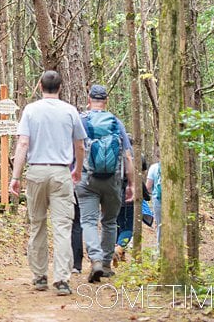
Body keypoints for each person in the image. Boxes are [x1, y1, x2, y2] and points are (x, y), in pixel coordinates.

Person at [9, 70, 87, 296]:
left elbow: (23, 143)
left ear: (40, 86)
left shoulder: (31, 111)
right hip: (61, 172)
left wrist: (15, 177)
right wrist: (77, 170)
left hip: (36, 172)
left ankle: (40, 276)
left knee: (38, 224)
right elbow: (80, 146)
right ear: (60, 87)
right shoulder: (70, 111)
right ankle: (62, 279)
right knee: (62, 227)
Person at [76, 83, 134, 283]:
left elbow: (75, 150)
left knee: (89, 221)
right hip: (112, 180)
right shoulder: (116, 123)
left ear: (89, 99)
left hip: (86, 179)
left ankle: (96, 260)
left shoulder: (81, 120)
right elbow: (128, 155)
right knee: (110, 222)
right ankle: (107, 263)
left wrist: (73, 173)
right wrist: (132, 184)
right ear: (106, 101)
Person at [146, 158, 162, 246]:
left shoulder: (154, 167)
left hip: (158, 200)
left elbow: (148, 186)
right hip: (173, 202)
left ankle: (160, 251)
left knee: (160, 226)